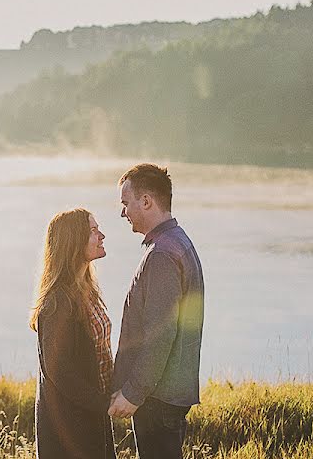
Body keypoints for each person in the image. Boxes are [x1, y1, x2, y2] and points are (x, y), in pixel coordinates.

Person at [107, 164, 205, 459]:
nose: (123, 213)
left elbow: (161, 334)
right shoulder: (177, 241)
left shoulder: (162, 254)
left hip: (157, 398)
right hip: (166, 395)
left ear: (147, 201)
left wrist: (133, 393)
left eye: (126, 203)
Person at [31, 208, 116, 459]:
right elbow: (59, 372)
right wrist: (104, 404)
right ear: (73, 240)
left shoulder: (86, 291)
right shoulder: (57, 302)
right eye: (93, 230)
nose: (101, 235)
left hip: (92, 417)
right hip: (69, 427)